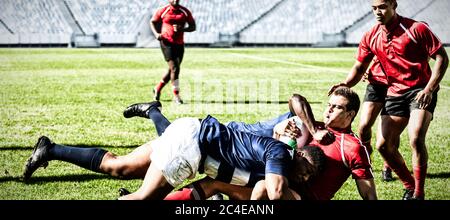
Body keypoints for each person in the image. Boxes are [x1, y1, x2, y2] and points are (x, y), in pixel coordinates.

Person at [124, 86, 377, 200]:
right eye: (329, 105)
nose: (330, 110)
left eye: (338, 107)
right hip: (255, 152)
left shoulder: (353, 147)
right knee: (203, 167)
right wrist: (295, 130)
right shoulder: (310, 124)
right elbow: (295, 100)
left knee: (252, 188)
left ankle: (153, 113)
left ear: (351, 114)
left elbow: (368, 193)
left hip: (290, 190)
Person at [23, 116, 325, 200]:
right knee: (143, 199)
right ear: (297, 153)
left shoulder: (270, 160)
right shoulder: (279, 153)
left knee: (119, 167)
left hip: (188, 132)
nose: (305, 177)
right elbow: (274, 192)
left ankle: (49, 149)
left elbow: (258, 192)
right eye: (307, 170)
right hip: (191, 146)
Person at [329, 0, 448, 200]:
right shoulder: (371, 35)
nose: (378, 11)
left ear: (394, 5)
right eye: (374, 8)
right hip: (394, 92)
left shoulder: (416, 29)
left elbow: (442, 58)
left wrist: (430, 88)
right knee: (383, 145)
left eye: (382, 7)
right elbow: (359, 67)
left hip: (420, 89)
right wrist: (345, 85)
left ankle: (418, 193)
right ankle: (409, 185)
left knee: (416, 137)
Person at [150, 0, 196, 104]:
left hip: (179, 44)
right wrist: (156, 34)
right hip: (166, 43)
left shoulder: (184, 12)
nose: (175, 0)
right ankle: (176, 96)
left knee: (173, 69)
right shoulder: (163, 10)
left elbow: (193, 27)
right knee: (175, 68)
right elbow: (152, 21)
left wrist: (182, 29)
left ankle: (157, 88)